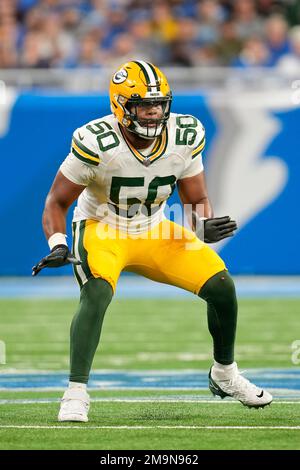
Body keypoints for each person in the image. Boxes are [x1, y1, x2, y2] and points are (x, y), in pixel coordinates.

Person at [32, 60, 272, 422]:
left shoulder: (185, 134)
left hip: (154, 226)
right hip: (102, 226)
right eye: (144, 105)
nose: (154, 112)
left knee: (221, 286)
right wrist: (58, 243)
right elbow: (57, 202)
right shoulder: (96, 142)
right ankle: (76, 392)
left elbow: (195, 197)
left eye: (159, 103)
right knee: (97, 291)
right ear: (121, 106)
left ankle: (225, 374)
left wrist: (201, 224)